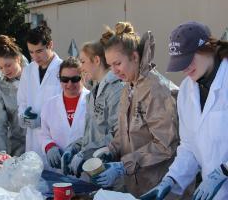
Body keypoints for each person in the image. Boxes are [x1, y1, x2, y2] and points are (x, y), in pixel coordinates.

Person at [140, 21, 228, 200]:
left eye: (188, 60)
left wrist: (225, 170)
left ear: (207, 49)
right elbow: (189, 146)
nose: (185, 69)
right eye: (179, 63)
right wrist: (171, 180)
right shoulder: (187, 91)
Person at [92, 22, 179, 198]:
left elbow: (165, 145)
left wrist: (124, 165)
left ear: (134, 56)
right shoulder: (129, 86)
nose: (114, 71)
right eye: (110, 65)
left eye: (118, 63)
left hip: (161, 188)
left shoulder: (157, 89)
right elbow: (126, 132)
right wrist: (110, 150)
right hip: (138, 186)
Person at [61, 41, 124, 178]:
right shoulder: (93, 93)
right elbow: (91, 135)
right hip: (94, 172)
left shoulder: (117, 90)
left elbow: (119, 135)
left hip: (109, 173)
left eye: (83, 62)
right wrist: (74, 147)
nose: (81, 68)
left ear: (96, 60)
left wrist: (85, 153)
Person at [17, 22, 62, 166]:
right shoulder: (28, 70)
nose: (35, 56)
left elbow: (65, 104)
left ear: (50, 45)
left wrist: (42, 122)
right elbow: (22, 101)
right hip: (32, 138)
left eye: (39, 51)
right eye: (31, 52)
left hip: (55, 139)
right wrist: (23, 117)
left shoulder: (63, 70)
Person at [40, 57, 90, 172]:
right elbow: (44, 134)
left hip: (85, 168)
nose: (69, 84)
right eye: (65, 79)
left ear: (83, 77)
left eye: (75, 79)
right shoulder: (49, 105)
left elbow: (98, 135)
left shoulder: (93, 101)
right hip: (58, 169)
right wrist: (49, 146)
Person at [0, 34, 27, 156]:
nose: (5, 71)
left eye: (8, 65)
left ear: (18, 59)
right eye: (0, 67)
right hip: (18, 146)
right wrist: (0, 153)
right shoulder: (0, 87)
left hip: (45, 142)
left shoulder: (36, 77)